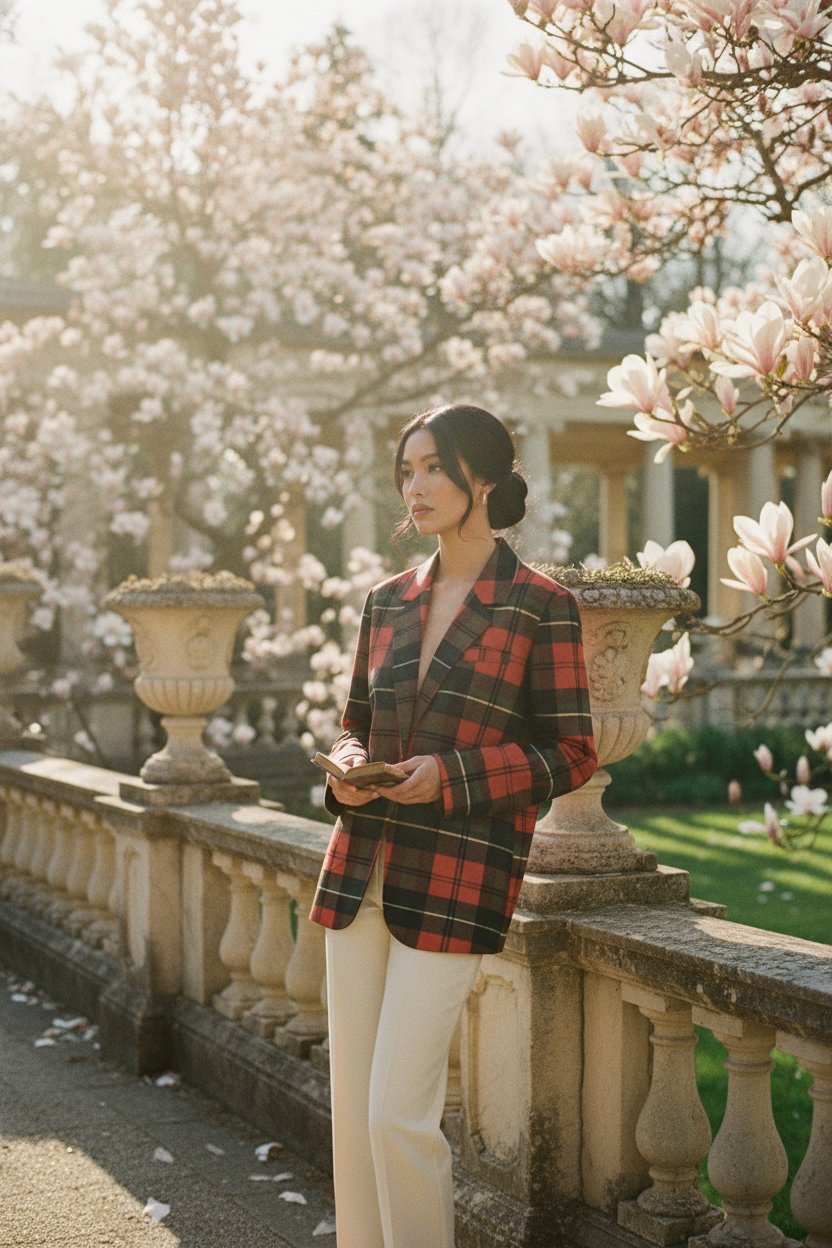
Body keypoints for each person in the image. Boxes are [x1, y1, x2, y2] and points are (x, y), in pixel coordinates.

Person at [310, 403, 597, 1248]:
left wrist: (451, 777)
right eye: (407, 470)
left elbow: (572, 751)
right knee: (353, 1113)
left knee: (398, 1113)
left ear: (485, 477)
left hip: (458, 876)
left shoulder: (540, 604)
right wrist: (348, 764)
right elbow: (355, 721)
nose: (417, 486)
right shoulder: (385, 601)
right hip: (357, 869)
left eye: (434, 467)